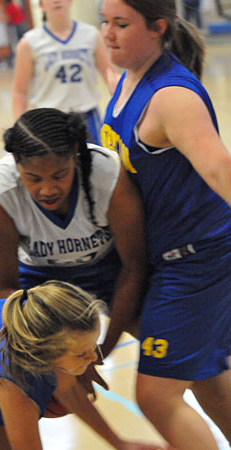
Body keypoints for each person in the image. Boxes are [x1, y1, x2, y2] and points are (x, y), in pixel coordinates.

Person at [99, 0, 231, 449]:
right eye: (104, 22)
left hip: (197, 260)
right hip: (166, 256)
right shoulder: (127, 78)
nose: (108, 33)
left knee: (156, 396)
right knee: (207, 376)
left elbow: (218, 169)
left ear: (157, 27)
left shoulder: (172, 96)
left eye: (121, 24)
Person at [0, 107, 146, 360]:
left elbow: (134, 268)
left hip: (110, 272)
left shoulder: (106, 174)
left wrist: (99, 354)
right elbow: (4, 289)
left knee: (169, 343)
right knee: (35, 366)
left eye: (59, 175)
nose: (47, 189)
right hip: (40, 281)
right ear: (16, 162)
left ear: (76, 156)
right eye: (34, 178)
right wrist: (59, 357)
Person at [0, 280, 164, 450]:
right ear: (45, 354)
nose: (94, 358)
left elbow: (70, 392)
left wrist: (120, 444)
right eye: (81, 354)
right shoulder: (13, 380)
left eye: (94, 345)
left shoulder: (42, 324)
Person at [12, 0, 120, 145]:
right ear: (41, 5)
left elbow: (110, 75)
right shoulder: (29, 42)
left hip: (87, 116)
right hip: (49, 120)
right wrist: (19, 130)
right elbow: (20, 91)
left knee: (93, 164)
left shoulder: (91, 34)